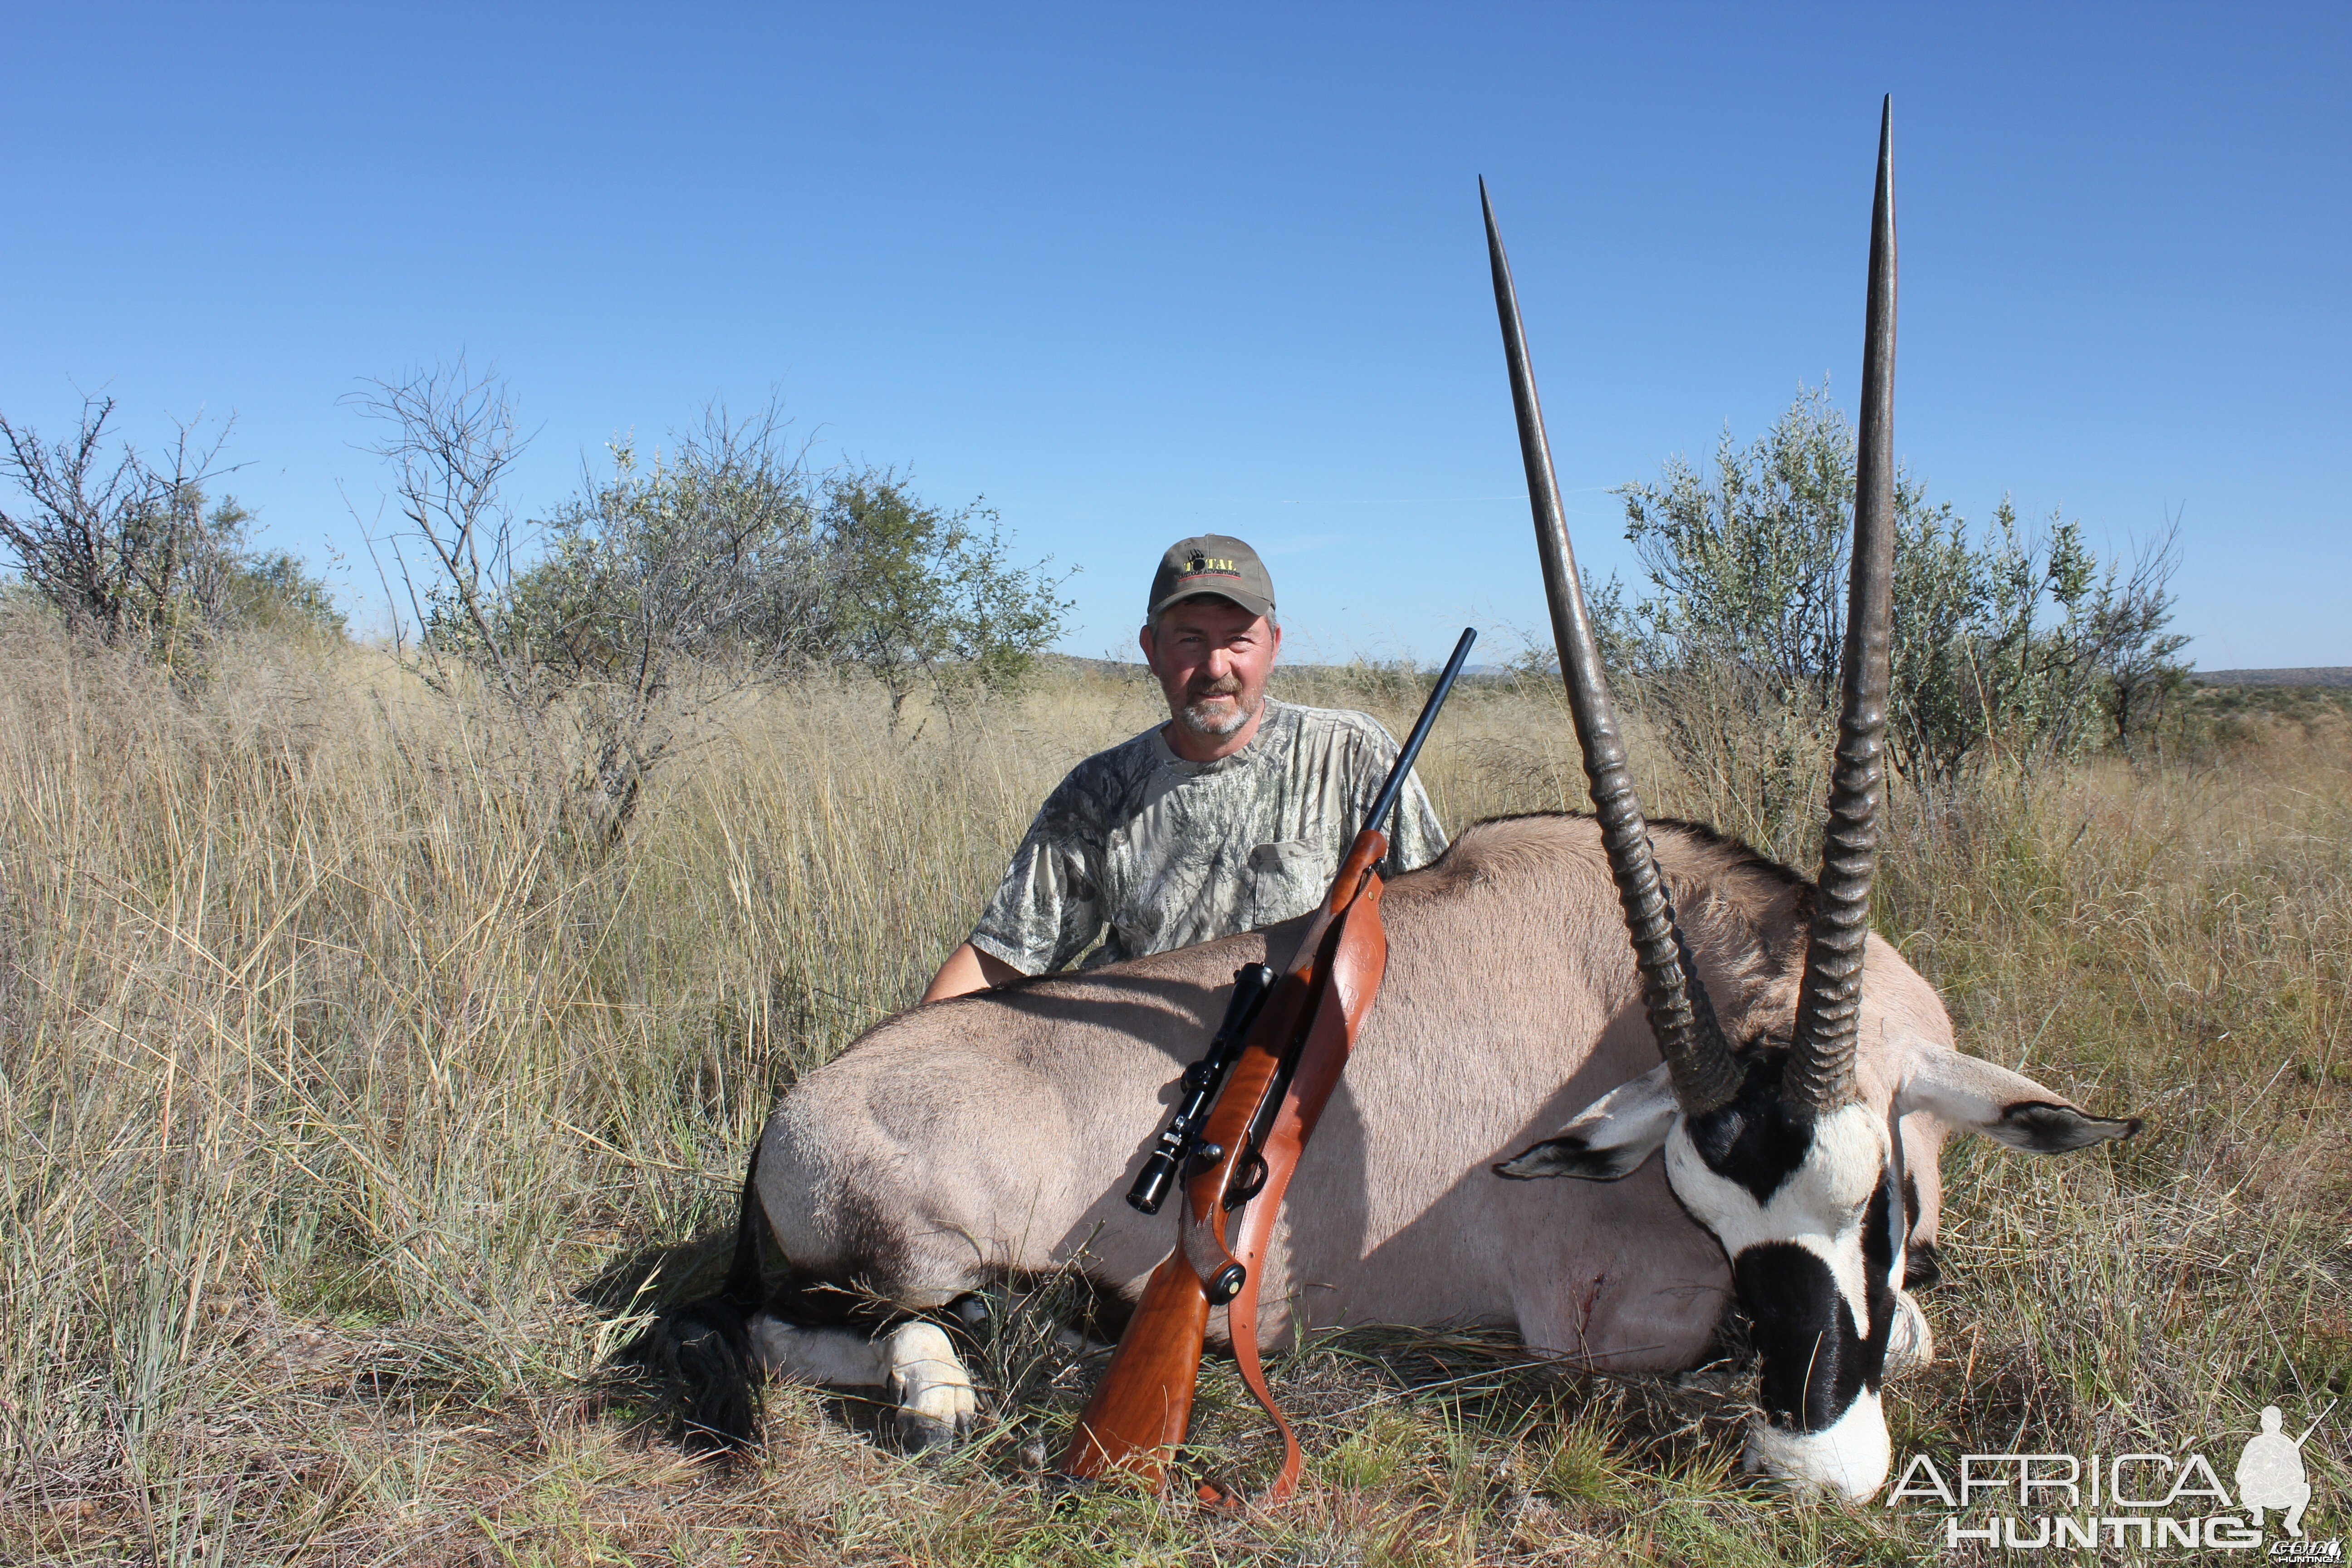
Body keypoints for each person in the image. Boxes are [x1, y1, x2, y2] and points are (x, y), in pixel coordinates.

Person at [922, 534, 1448, 1001]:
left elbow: (1437, 924)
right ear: (1151, 650)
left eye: (1238, 639)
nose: (1216, 667)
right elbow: (1001, 959)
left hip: (1297, 1060)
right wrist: (908, 1058)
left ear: (1274, 647)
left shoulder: (1352, 755)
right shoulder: (1099, 790)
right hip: (1129, 1068)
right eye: (1190, 640)